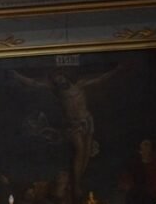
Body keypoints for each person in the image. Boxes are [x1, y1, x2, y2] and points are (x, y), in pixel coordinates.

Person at [10, 64, 123, 195]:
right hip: (74, 124)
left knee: (86, 152)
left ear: (66, 77)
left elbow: (99, 79)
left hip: (87, 120)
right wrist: (17, 76)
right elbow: (34, 83)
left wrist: (115, 70)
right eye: (57, 80)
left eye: (61, 78)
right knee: (80, 150)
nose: (59, 81)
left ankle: (78, 180)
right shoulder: (56, 90)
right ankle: (76, 184)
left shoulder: (79, 84)